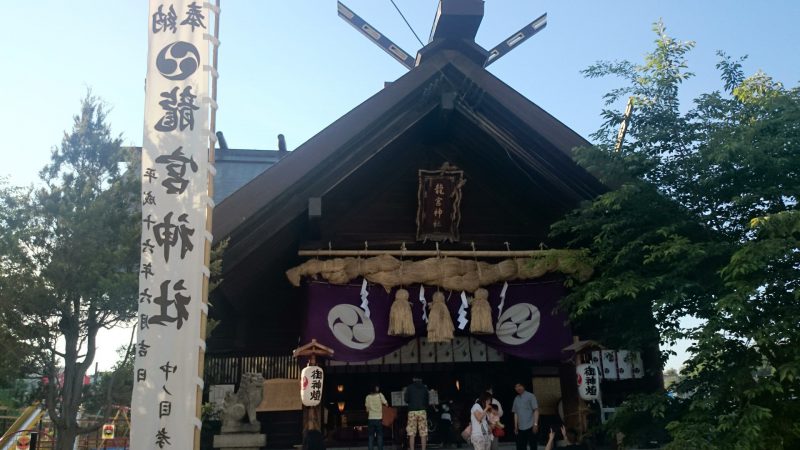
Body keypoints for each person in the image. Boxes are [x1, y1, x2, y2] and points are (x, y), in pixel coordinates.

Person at [512, 381, 539, 450]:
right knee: (520, 447)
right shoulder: (516, 399)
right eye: (516, 387)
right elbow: (515, 413)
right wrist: (515, 426)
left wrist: (535, 424)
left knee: (533, 447)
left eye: (519, 386)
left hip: (530, 426)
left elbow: (536, 410)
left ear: (523, 386)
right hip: (520, 428)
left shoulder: (531, 396)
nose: (518, 388)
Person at [405, 377, 430, 450]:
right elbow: (427, 400)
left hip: (412, 411)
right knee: (423, 432)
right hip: (422, 411)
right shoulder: (425, 388)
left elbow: (406, 400)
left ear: (413, 379)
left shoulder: (409, 388)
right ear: (421, 379)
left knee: (411, 433)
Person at [365, 384, 388, 450]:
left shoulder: (368, 397)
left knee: (370, 437)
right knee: (380, 436)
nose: (378, 388)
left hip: (371, 419)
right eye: (377, 387)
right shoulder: (380, 395)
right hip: (379, 419)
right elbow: (386, 404)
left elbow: (367, 410)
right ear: (375, 388)